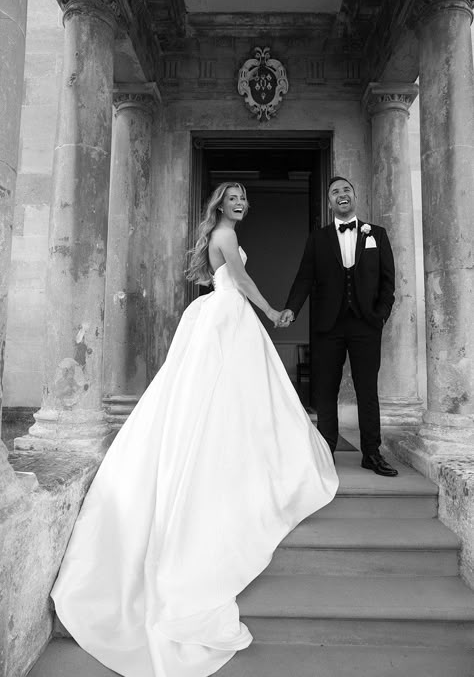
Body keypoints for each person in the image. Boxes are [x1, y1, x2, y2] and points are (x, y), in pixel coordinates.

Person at [51, 182, 339, 677]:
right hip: (230, 316)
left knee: (232, 398)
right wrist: (271, 312)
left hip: (220, 317)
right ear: (219, 206)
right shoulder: (225, 236)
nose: (240, 203)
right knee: (224, 398)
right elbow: (243, 282)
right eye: (232, 198)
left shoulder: (222, 235)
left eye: (244, 197)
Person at [279, 176, 397, 477]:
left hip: (366, 325)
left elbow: (388, 282)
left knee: (367, 389)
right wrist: (292, 309)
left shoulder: (377, 235)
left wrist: (380, 315)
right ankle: (325, 451)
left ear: (354, 197)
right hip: (327, 326)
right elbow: (304, 277)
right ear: (329, 202)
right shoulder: (318, 238)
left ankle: (371, 452)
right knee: (324, 390)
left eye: (346, 190)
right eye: (335, 192)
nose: (341, 195)